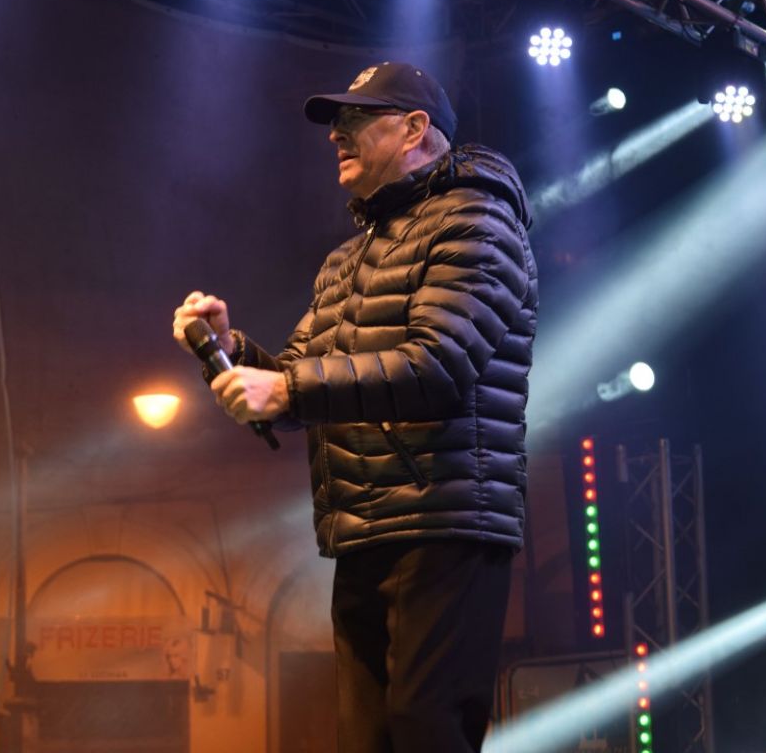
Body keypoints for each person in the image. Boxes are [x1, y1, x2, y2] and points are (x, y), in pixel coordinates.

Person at [172, 61, 537, 752]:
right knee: (366, 738)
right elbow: (294, 385)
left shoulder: (477, 218)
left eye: (356, 119)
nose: (336, 134)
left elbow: (439, 366)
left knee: (427, 730)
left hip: (446, 518)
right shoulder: (347, 259)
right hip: (364, 524)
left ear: (415, 129)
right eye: (336, 122)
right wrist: (226, 349)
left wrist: (288, 390)